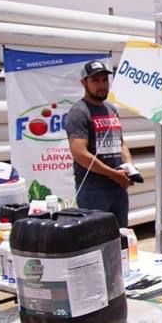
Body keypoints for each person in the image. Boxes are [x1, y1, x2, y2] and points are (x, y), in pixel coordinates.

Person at [65, 60, 135, 227]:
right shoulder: (79, 112)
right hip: (93, 191)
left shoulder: (111, 109)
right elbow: (79, 153)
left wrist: (129, 168)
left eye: (104, 80)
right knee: (96, 239)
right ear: (84, 83)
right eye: (95, 80)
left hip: (118, 189)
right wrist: (113, 174)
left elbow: (120, 143)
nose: (102, 85)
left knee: (120, 238)